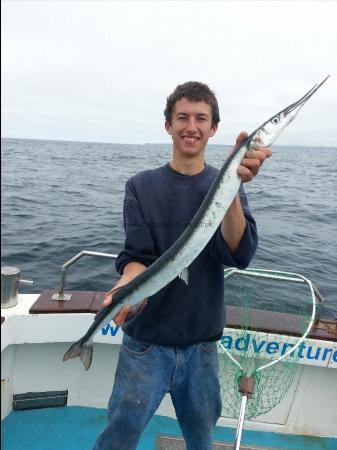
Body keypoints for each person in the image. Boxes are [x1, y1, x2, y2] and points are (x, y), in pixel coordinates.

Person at [93, 81, 272, 450]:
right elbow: (136, 257)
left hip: (201, 348)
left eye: (201, 118)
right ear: (168, 125)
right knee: (117, 438)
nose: (192, 126)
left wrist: (232, 186)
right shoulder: (140, 186)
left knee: (201, 441)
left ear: (214, 128)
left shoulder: (228, 183)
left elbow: (239, 255)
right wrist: (127, 286)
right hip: (145, 344)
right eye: (183, 117)